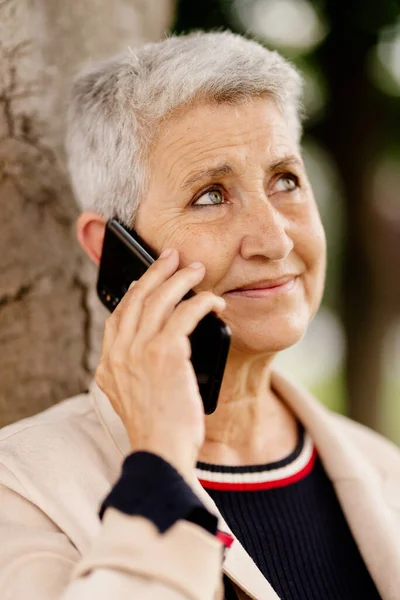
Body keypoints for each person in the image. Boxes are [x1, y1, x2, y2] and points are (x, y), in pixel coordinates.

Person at [0, 31, 399, 600]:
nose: (274, 239)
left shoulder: (387, 474)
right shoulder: (22, 488)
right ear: (111, 249)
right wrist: (159, 467)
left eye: (285, 180)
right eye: (211, 195)